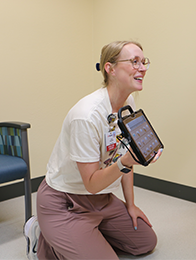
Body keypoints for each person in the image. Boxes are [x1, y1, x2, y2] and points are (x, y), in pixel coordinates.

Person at [23, 40, 163, 260]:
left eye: (143, 62)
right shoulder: (86, 116)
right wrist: (125, 161)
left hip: (101, 198)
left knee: (146, 242)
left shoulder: (129, 102)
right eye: (134, 62)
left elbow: (124, 155)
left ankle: (85, 236)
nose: (143, 68)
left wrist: (131, 205)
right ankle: (41, 233)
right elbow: (92, 181)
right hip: (65, 201)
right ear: (111, 68)